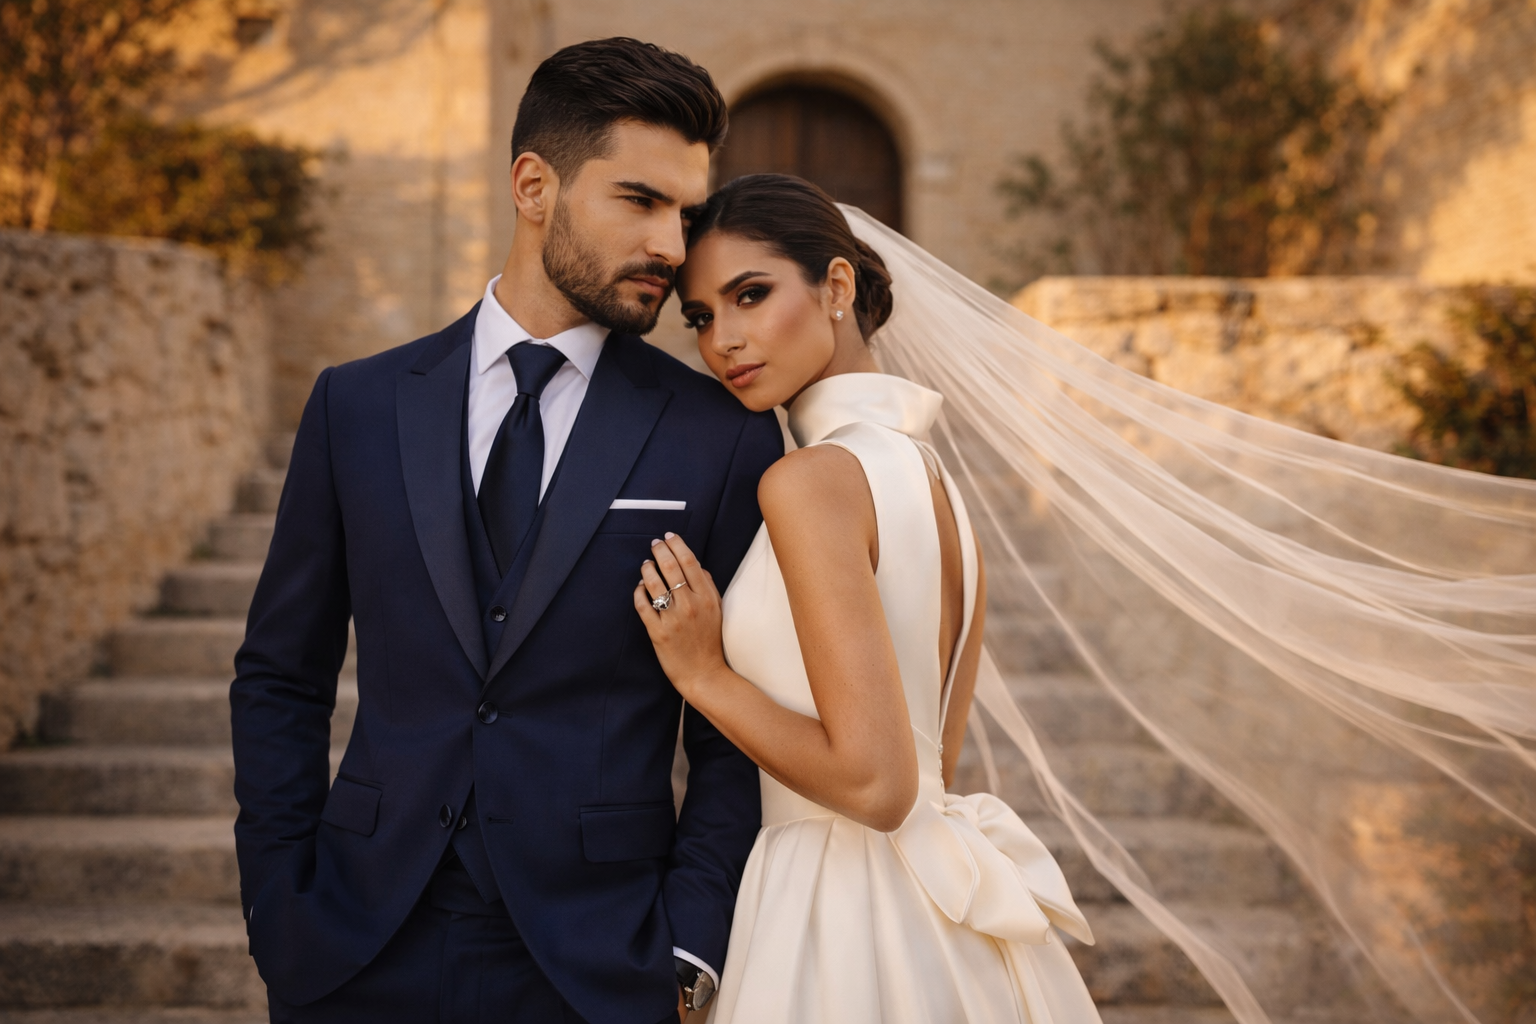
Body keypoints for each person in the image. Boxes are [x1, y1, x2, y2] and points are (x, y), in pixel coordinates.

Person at [231, 39, 781, 1024]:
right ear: (535, 185)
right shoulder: (355, 406)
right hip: (354, 943)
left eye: (687, 213)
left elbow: (736, 733)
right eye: (640, 201)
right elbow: (282, 673)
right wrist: (280, 906)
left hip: (598, 962)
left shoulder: (720, 437)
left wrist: (690, 945)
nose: (672, 242)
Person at [634, 174, 1102, 1022]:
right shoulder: (936, 486)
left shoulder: (810, 482)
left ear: (837, 286)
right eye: (700, 317)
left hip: (833, 911)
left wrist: (703, 675)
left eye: (751, 294)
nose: (724, 340)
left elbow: (879, 783)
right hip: (942, 921)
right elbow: (931, 762)